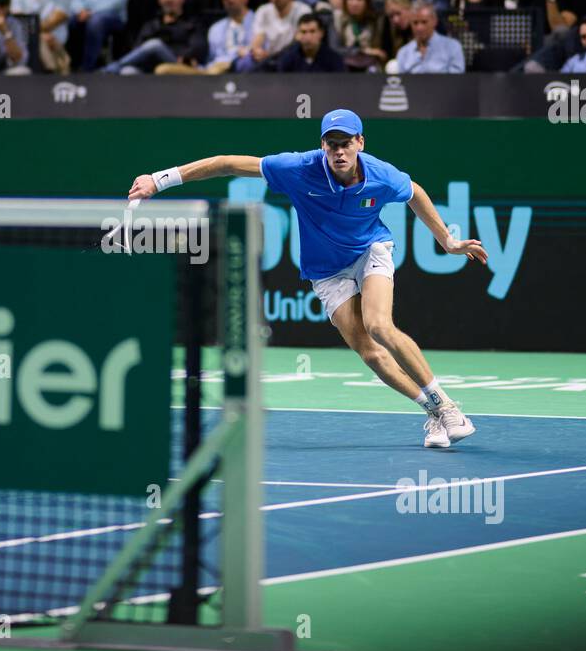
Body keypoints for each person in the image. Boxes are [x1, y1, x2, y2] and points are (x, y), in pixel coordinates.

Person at [127, 108, 487, 448]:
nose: (339, 151)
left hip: (370, 250)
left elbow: (415, 194)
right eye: (332, 144)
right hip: (326, 270)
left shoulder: (382, 175)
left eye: (346, 143)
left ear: (361, 142)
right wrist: (159, 181)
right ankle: (435, 412)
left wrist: (449, 242)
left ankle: (449, 407)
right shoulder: (299, 168)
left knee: (379, 326)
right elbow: (226, 163)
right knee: (370, 354)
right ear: (322, 147)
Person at [101, 0, 205, 74]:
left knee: (155, 45)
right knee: (128, 71)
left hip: (177, 67)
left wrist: (180, 56)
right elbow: (138, 50)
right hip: (150, 69)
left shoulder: (193, 24)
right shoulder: (151, 25)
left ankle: (109, 69)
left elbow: (197, 48)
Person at [11, 0, 72, 73]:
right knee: (40, 41)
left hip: (54, 48)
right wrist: (39, 35)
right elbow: (19, 24)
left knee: (43, 42)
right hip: (24, 47)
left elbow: (51, 23)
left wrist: (35, 32)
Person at [242, 0, 311, 71]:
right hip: (269, 60)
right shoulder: (263, 10)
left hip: (295, 58)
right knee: (247, 62)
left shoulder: (303, 10)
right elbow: (258, 37)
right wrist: (257, 51)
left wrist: (275, 57)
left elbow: (299, 40)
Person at [395, 5, 465, 73]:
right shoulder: (403, 52)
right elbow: (401, 82)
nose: (419, 28)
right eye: (415, 23)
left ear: (435, 21)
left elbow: (457, 79)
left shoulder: (452, 47)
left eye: (424, 22)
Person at [332, 0, 384, 71]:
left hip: (369, 64)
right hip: (345, 63)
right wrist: (362, 51)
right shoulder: (337, 18)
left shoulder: (375, 20)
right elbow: (335, 49)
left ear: (367, 2)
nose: (354, 3)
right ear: (345, 1)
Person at [275, 14, 344, 72]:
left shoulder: (334, 59)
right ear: (298, 34)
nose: (308, 37)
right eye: (303, 32)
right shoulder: (288, 58)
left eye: (312, 31)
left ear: (321, 33)